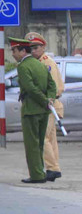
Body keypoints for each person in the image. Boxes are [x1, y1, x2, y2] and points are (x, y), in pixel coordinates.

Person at [10, 37, 56, 184]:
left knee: (32, 145)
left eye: (14, 51)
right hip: (44, 111)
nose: (13, 54)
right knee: (40, 143)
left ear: (23, 51)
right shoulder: (40, 64)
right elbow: (52, 85)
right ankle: (40, 172)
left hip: (31, 109)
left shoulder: (23, 67)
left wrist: (44, 100)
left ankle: (37, 175)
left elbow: (30, 88)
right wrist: (49, 100)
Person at [26, 32, 64, 181]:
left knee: (43, 137)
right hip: (49, 104)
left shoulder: (46, 63)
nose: (33, 51)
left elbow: (51, 86)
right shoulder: (39, 62)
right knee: (50, 138)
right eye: (31, 48)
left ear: (43, 47)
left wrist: (47, 100)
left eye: (36, 47)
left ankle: (52, 168)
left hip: (49, 104)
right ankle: (54, 168)